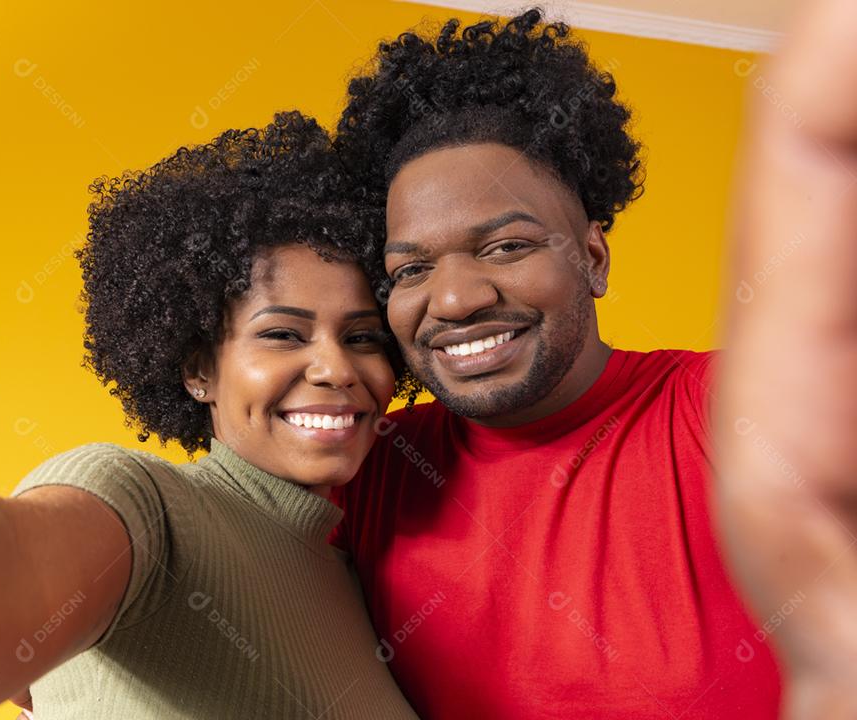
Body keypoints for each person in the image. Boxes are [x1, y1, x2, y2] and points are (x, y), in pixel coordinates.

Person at [0, 111, 421, 719]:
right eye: (283, 334)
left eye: (363, 338)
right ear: (198, 369)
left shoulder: (345, 573)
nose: (337, 369)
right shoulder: (146, 505)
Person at [325, 6, 842, 718]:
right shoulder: (368, 469)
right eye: (410, 269)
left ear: (592, 258)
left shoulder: (728, 410)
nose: (454, 299)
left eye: (505, 246)